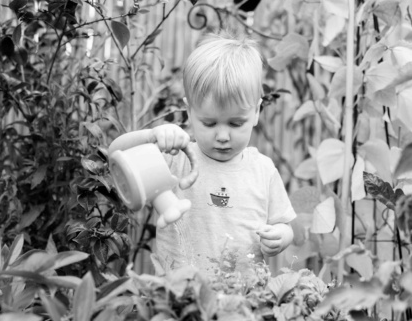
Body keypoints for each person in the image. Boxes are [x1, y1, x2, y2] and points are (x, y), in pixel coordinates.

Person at [109, 31, 296, 276]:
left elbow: (284, 224)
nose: (222, 135)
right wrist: (151, 136)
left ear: (256, 113)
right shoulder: (175, 158)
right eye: (209, 123)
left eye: (235, 123)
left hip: (244, 299)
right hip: (180, 296)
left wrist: (281, 236)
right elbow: (115, 154)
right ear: (189, 112)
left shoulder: (262, 169)